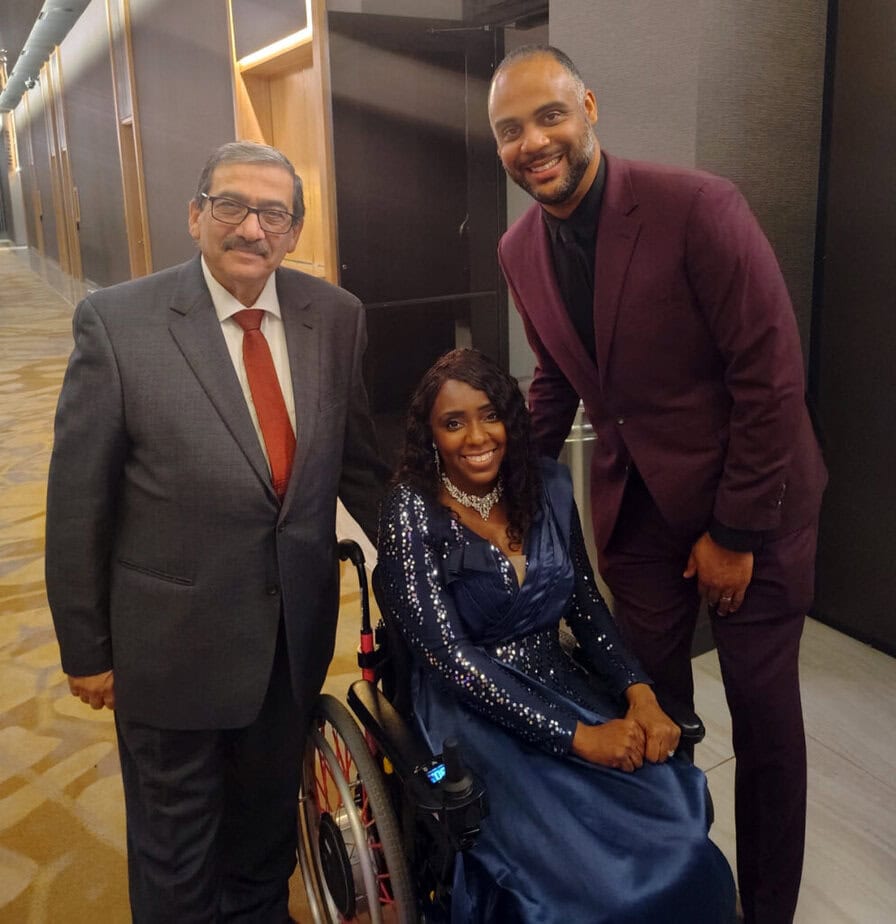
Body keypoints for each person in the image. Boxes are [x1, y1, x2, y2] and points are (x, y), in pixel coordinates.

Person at [488, 45, 828, 924]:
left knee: (761, 724)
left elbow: (772, 376)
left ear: (589, 107)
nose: (534, 142)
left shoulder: (697, 206)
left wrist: (739, 534)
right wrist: (500, 498)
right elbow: (557, 382)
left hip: (754, 506)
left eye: (550, 115)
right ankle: (681, 886)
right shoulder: (519, 246)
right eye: (510, 130)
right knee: (649, 709)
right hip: (635, 516)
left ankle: (768, 911)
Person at [44, 140, 389, 922]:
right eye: (231, 205)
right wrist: (87, 647)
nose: (251, 228)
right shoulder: (119, 324)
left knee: (265, 845)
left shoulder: (334, 317)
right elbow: (77, 503)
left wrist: (426, 575)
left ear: (294, 231)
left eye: (274, 212)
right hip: (170, 651)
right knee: (177, 862)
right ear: (195, 215)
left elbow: (360, 469)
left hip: (290, 642)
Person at [375, 348, 736, 923]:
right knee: (577, 882)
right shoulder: (410, 511)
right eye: (453, 422)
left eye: (489, 415)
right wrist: (578, 739)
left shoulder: (545, 488)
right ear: (430, 434)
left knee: (674, 839)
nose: (476, 436)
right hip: (468, 713)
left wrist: (640, 695)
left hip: (557, 679)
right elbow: (449, 658)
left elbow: (587, 608)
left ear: (511, 419)